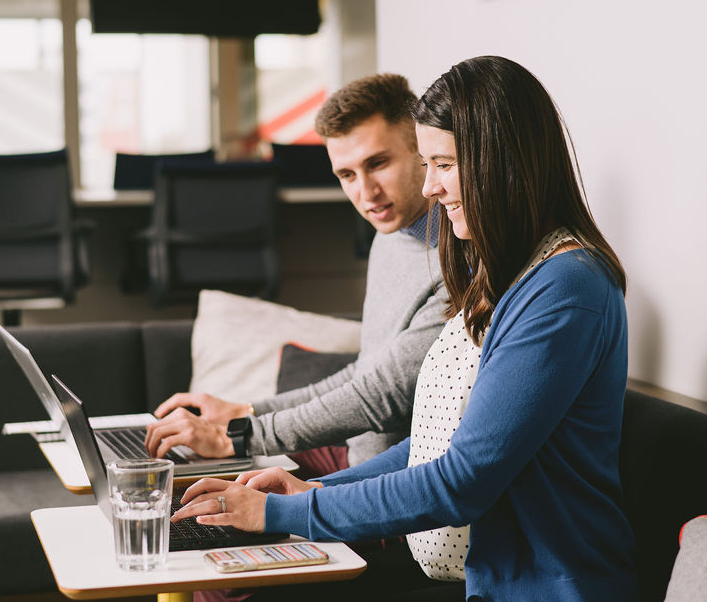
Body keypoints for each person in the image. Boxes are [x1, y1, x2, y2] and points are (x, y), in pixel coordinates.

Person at [172, 56, 638, 602]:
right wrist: (313, 489)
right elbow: (438, 444)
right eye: (428, 163)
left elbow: (460, 479)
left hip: (554, 588)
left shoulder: (565, 289)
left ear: (499, 162)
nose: (433, 188)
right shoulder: (517, 274)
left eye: (443, 164)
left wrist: (288, 509)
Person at [145, 73, 448, 481]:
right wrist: (245, 413)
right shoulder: (391, 234)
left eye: (378, 163)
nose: (366, 193)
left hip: (383, 485)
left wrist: (238, 438)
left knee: (206, 491)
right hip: (348, 454)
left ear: (421, 151)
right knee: (173, 480)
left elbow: (382, 397)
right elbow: (367, 371)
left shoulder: (457, 262)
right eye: (347, 175)